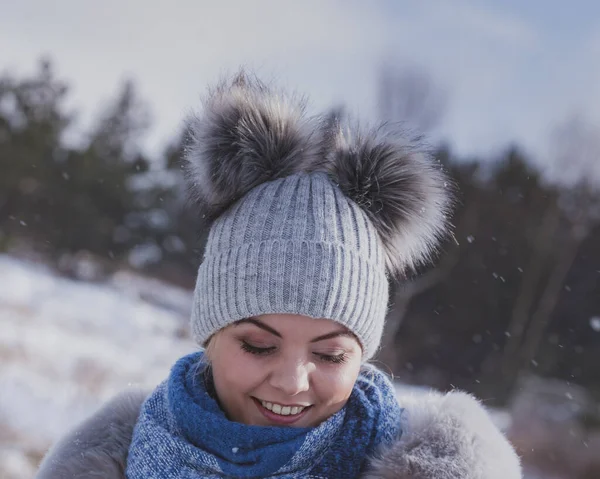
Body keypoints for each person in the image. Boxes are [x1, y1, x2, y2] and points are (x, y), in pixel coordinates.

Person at [36, 73, 522, 478]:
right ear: (210, 335)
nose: (292, 382)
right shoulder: (119, 461)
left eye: (330, 353)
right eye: (258, 345)